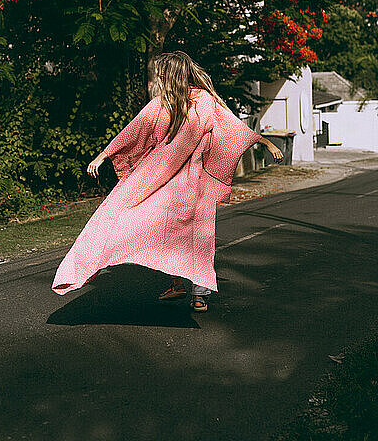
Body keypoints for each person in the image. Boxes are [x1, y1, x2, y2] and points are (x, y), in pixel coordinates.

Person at [51, 51, 284, 312]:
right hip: (174, 182)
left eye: (163, 75)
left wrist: (264, 141)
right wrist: (103, 155)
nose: (160, 78)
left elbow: (231, 126)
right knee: (182, 233)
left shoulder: (191, 102)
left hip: (185, 181)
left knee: (176, 231)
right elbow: (134, 129)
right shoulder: (171, 103)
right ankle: (186, 288)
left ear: (172, 76)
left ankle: (193, 291)